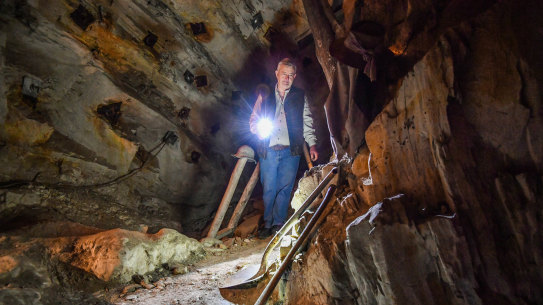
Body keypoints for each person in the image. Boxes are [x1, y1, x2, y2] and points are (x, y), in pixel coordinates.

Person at [249, 58, 318, 238]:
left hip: (290, 151)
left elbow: (308, 121)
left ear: (294, 77)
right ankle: (267, 222)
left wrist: (312, 144)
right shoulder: (264, 95)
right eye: (283, 74)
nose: (286, 78)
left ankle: (278, 223)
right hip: (269, 150)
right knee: (269, 189)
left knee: (285, 189)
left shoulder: (300, 96)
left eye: (290, 75)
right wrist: (258, 131)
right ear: (276, 74)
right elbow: (253, 119)